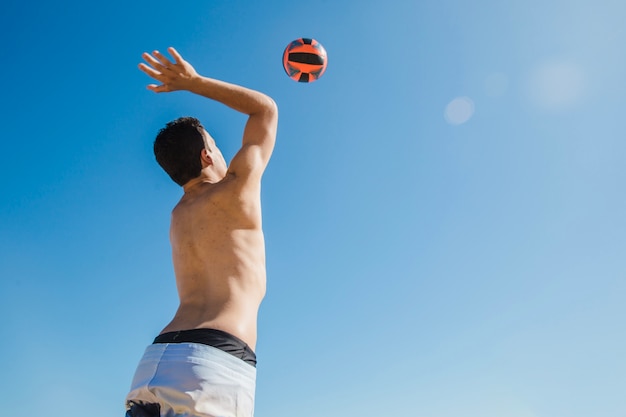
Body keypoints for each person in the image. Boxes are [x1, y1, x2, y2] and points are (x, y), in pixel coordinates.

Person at [124, 47, 278, 417]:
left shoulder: (179, 215)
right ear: (207, 156)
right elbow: (265, 110)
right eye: (215, 144)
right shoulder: (236, 188)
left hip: (155, 361)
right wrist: (193, 83)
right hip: (213, 364)